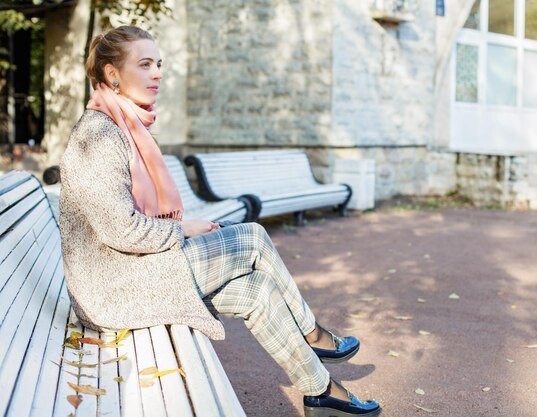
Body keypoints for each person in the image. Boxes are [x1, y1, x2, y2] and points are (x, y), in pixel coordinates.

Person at [59, 25, 381, 417]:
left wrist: (185, 231)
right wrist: (185, 229)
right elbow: (120, 229)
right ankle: (312, 334)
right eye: (145, 64)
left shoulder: (124, 126)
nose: (158, 73)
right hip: (113, 290)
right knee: (252, 238)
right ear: (112, 74)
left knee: (257, 289)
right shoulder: (99, 134)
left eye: (159, 64)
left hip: (133, 273)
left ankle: (321, 390)